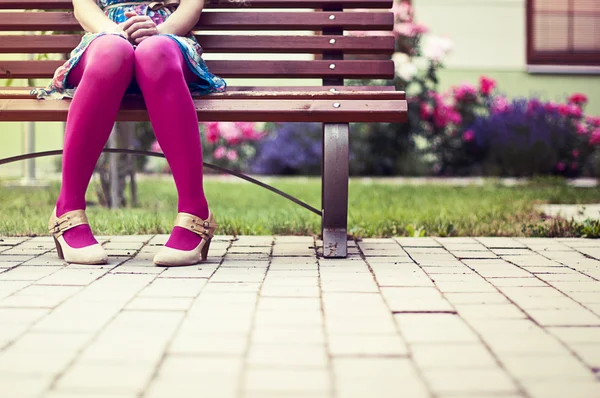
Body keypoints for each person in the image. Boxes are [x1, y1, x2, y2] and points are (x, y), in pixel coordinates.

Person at [38, 0, 232, 266]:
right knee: (111, 49)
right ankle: (67, 211)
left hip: (168, 43)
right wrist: (114, 31)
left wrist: (159, 30)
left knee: (155, 50)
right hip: (104, 38)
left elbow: (190, 8)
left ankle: (195, 212)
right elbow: (83, 8)